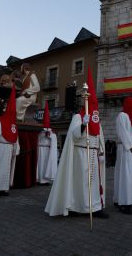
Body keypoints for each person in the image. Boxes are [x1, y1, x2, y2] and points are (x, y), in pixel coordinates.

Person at [45, 68, 108, 218]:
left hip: (93, 154)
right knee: (80, 182)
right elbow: (73, 136)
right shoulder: (79, 117)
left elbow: (100, 137)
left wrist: (101, 152)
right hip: (80, 153)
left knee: (93, 183)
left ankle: (95, 207)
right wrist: (82, 125)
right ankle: (77, 206)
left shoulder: (97, 120)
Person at [113, 96, 132, 215]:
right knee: (125, 176)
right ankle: (124, 203)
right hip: (125, 150)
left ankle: (125, 199)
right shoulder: (122, 116)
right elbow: (122, 132)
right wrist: (131, 146)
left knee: (131, 176)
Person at [36, 104, 58, 185]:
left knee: (47, 165)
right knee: (41, 165)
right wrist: (43, 133)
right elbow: (38, 139)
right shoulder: (40, 131)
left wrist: (50, 135)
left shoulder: (52, 131)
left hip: (49, 150)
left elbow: (54, 139)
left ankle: (46, 180)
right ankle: (40, 179)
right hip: (41, 149)